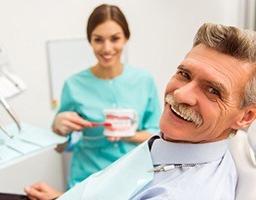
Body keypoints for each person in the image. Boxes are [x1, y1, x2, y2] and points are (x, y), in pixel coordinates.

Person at [24, 23, 256, 200]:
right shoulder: (176, 142)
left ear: (245, 117)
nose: (181, 95)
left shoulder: (176, 192)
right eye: (184, 74)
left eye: (213, 90)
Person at [51, 4, 161, 189]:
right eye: (98, 40)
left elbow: (158, 135)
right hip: (87, 181)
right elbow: (60, 147)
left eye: (115, 38)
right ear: (90, 41)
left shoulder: (144, 80)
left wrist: (127, 134)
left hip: (135, 178)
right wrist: (57, 129)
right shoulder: (73, 84)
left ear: (126, 37)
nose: (107, 48)